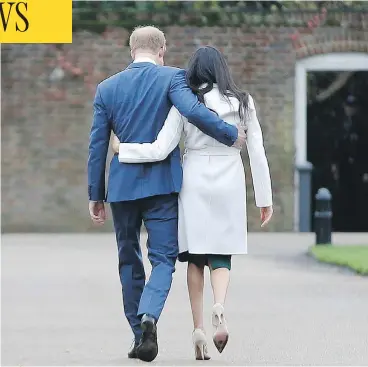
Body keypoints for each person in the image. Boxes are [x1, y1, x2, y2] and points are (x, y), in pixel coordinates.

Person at [87, 27, 246, 362]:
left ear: (132, 51)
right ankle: (150, 316)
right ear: (161, 50)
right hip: (162, 187)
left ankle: (138, 333)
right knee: (162, 259)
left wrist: (95, 194)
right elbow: (195, 113)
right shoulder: (173, 78)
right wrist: (231, 134)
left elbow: (97, 146)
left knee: (128, 258)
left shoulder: (106, 88)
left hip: (122, 188)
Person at [111, 46, 273, 360]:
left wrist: (122, 150)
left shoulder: (186, 102)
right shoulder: (244, 102)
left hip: (195, 179)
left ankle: (198, 328)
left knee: (195, 256)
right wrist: (264, 199)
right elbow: (257, 152)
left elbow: (160, 149)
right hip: (229, 177)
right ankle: (220, 306)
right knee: (221, 251)